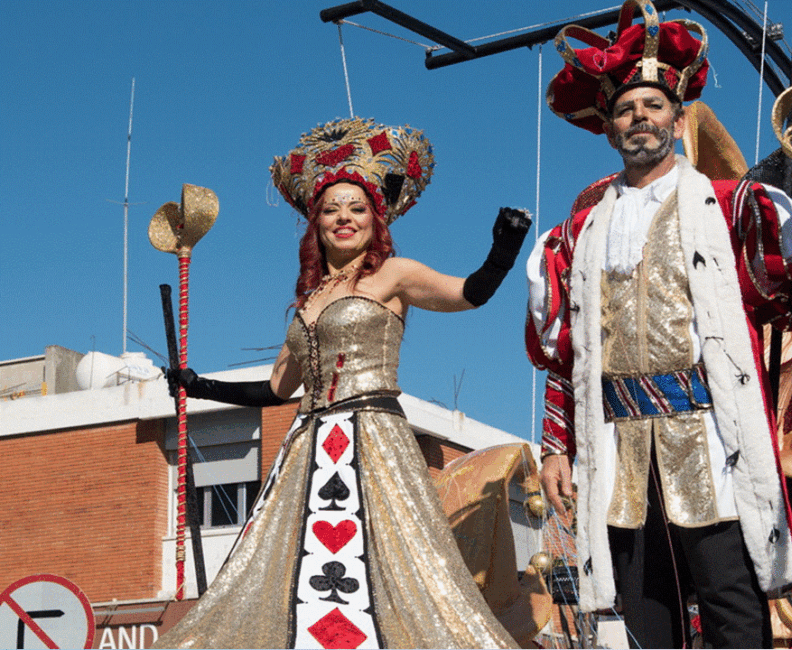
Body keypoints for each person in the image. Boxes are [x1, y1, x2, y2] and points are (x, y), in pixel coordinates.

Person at [525, 2, 792, 647]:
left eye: (652, 107)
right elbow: (567, 353)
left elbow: (776, 296)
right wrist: (558, 446)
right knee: (640, 599)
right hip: (616, 437)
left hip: (706, 429)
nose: (638, 119)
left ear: (676, 119)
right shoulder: (580, 230)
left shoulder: (730, 205)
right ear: (610, 126)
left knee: (731, 590)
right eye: (625, 109)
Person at [157, 117, 530, 649]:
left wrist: (503, 249)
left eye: (357, 208)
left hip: (375, 436)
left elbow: (469, 293)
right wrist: (199, 385)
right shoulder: (308, 301)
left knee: (398, 571)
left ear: (375, 220)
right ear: (317, 225)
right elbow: (275, 390)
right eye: (332, 210)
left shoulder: (393, 275)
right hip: (306, 444)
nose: (344, 218)